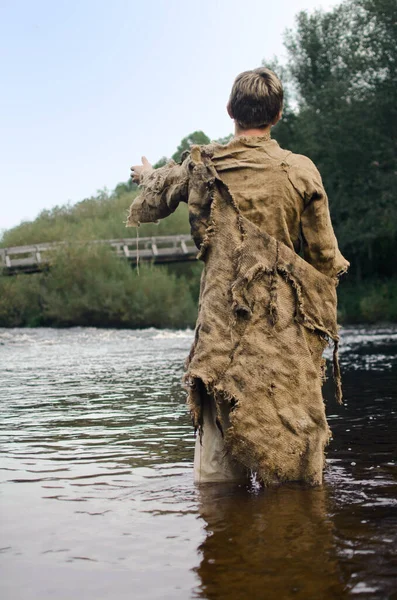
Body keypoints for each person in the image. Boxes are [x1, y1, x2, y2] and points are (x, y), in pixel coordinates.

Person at [127, 67, 349, 486]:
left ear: (230, 110)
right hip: (283, 336)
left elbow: (156, 195)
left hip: (220, 335)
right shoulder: (301, 172)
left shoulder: (203, 167)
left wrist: (146, 174)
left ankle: (227, 541)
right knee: (295, 465)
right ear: (278, 114)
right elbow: (324, 259)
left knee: (216, 482)